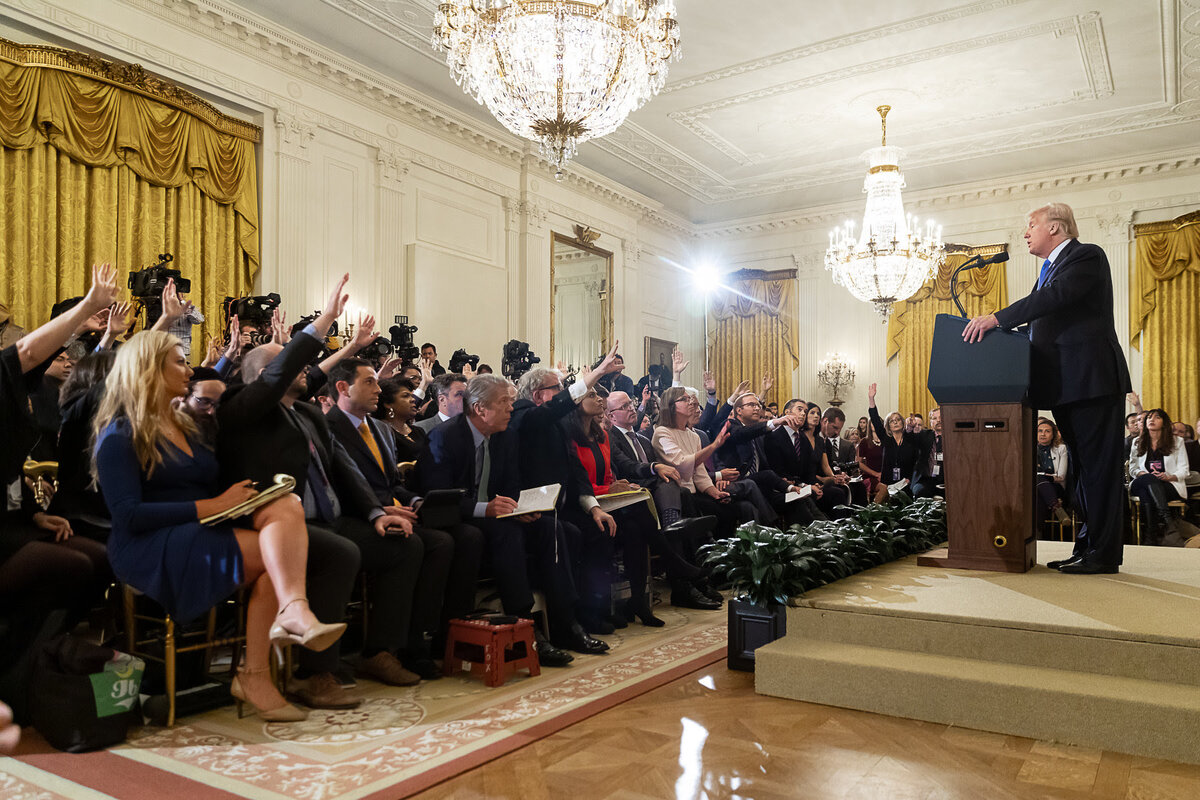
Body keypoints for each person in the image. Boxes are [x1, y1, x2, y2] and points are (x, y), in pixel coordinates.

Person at [94, 330, 345, 722]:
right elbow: (128, 515)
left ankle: (284, 627)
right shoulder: (119, 433)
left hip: (200, 527)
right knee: (270, 559)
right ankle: (262, 663)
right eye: (179, 361)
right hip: (147, 546)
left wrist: (246, 500)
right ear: (148, 370)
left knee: (286, 503)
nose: (189, 368)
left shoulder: (189, 423)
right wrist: (213, 505)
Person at [964, 203, 1131, 574]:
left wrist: (997, 319)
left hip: (1092, 382)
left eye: (1031, 225)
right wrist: (1007, 338)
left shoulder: (1086, 256)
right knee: (1084, 472)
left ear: (1055, 228)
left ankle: (1103, 556)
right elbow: (1044, 325)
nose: (1025, 233)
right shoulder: (1050, 271)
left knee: (1099, 471)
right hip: (1068, 386)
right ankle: (1087, 547)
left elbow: (1052, 300)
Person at [325, 356, 483, 678]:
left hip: (390, 509)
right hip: (349, 517)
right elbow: (332, 487)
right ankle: (386, 648)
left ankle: (437, 636)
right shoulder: (328, 427)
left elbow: (393, 483)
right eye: (369, 382)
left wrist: (417, 500)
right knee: (413, 545)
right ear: (343, 387)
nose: (378, 389)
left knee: (457, 538)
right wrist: (379, 510)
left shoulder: (381, 429)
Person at [418, 374, 586, 667]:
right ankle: (525, 624)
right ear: (480, 409)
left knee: (549, 526)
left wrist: (521, 509)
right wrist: (487, 509)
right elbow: (438, 496)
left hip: (497, 514)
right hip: (457, 516)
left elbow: (511, 485)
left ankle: (566, 622)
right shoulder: (444, 436)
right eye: (504, 402)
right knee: (505, 533)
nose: (512, 408)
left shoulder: (505, 435)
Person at [1128, 409, 1190, 546]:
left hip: (1168, 484)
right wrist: (1142, 474)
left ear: (1164, 423)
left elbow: (1184, 470)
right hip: (1141, 481)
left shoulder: (1177, 441)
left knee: (1146, 492)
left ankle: (1151, 535)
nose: (1152, 419)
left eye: (1157, 417)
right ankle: (1168, 522)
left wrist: (1169, 477)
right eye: (1149, 417)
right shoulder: (1137, 442)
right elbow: (1133, 469)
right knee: (1148, 479)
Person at [866, 383, 922, 503]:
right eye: (892, 421)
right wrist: (871, 399)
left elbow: (916, 460)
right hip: (888, 482)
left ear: (902, 422)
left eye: (898, 420)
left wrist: (910, 479)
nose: (895, 422)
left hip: (906, 482)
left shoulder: (909, 438)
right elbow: (875, 419)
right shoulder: (886, 438)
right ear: (888, 425)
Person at [374, 377, 427, 464]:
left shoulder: (418, 431)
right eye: (406, 396)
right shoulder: (381, 433)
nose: (413, 399)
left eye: (411, 395)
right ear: (388, 403)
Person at [1034, 417, 1070, 533]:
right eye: (1040, 431)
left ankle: (1038, 534)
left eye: (1047, 431)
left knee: (1037, 478)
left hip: (1056, 487)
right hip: (1038, 488)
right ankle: (1056, 507)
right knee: (1037, 493)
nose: (1043, 434)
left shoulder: (1061, 449)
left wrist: (1044, 476)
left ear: (1053, 434)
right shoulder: (1030, 449)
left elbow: (1061, 476)